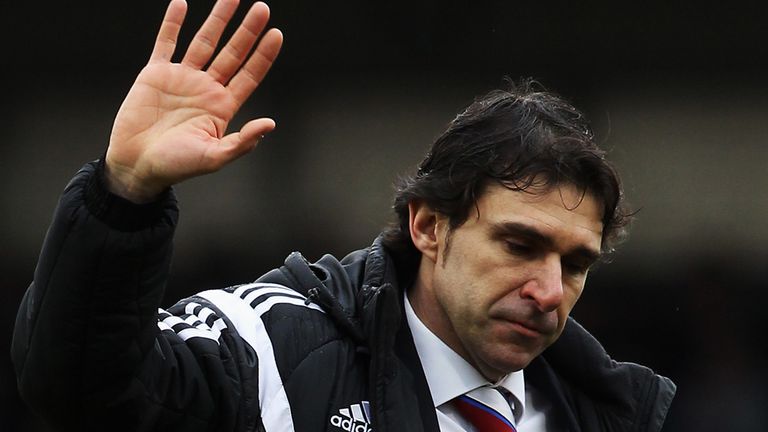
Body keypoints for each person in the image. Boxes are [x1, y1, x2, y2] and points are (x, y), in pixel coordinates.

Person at [12, 0, 676, 431]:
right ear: (427, 226)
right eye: (520, 244)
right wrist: (122, 196)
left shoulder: (611, 409)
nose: (550, 291)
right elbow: (82, 393)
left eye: (575, 262)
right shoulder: (270, 347)